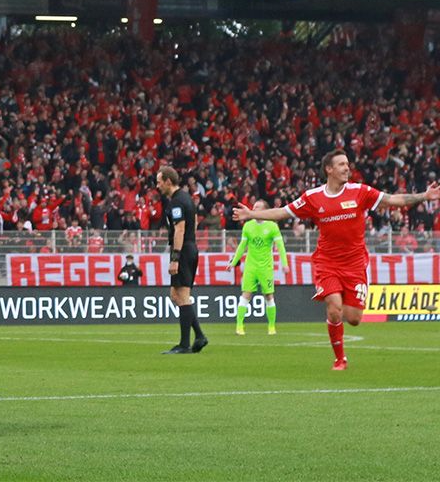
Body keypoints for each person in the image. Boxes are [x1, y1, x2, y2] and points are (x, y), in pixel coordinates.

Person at [233, 149, 439, 370]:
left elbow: (392, 199)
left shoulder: (360, 192)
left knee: (353, 318)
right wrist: (252, 214)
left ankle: (344, 326)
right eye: (341, 164)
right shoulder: (313, 198)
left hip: (355, 264)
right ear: (329, 169)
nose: (346, 168)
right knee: (334, 307)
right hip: (327, 262)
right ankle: (340, 359)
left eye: (347, 164)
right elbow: (283, 212)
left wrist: (423, 196)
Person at [155, 166, 208, 355]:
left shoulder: (177, 202)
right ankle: (199, 336)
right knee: (175, 295)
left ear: (168, 181)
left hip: (183, 251)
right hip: (189, 247)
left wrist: (175, 257)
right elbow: (193, 220)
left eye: (159, 181)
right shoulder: (186, 198)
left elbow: (180, 229)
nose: (157, 185)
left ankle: (185, 344)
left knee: (182, 296)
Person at [225, 200, 289, 336]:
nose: (254, 209)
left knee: (268, 296)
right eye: (253, 207)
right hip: (251, 266)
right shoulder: (248, 226)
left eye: (257, 207)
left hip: (265, 267)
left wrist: (285, 263)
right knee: (246, 295)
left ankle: (271, 327)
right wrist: (233, 261)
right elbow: (242, 247)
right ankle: (239, 326)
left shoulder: (272, 226)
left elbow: (281, 246)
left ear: (265, 210)